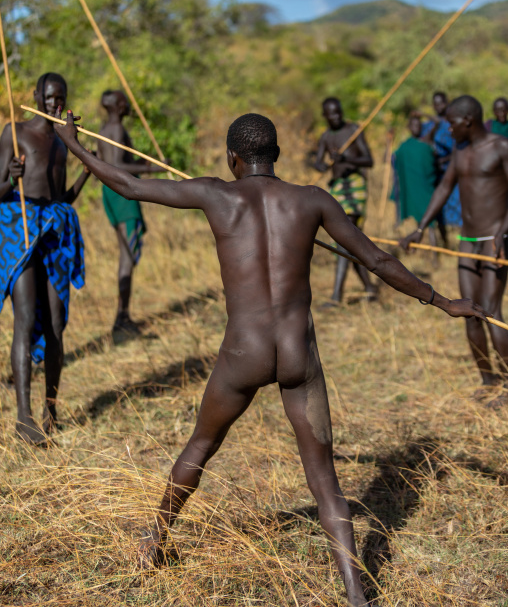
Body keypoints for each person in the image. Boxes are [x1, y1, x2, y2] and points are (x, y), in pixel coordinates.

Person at [56, 109, 487, 606]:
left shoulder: (216, 193)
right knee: (325, 482)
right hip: (297, 357)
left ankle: (156, 540)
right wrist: (442, 301)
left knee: (200, 445)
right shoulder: (311, 201)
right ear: (276, 154)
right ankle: (356, 596)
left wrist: (74, 144)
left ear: (234, 158)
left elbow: (129, 186)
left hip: (245, 353)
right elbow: (380, 261)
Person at [0, 73, 90, 445]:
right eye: (50, 97)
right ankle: (23, 417)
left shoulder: (63, 139)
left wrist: (86, 170)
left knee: (55, 323)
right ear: (36, 96)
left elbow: (62, 198)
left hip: (55, 232)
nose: (56, 104)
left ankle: (50, 409)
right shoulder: (14, 131)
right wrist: (9, 177)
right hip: (19, 229)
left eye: (61, 98)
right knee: (24, 319)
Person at [401, 95, 508, 399]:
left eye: (451, 123)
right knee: (468, 309)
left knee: (490, 309)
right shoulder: (462, 152)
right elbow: (444, 188)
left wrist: (503, 230)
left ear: (468, 121)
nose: (447, 130)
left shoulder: (501, 147)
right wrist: (420, 229)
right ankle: (488, 380)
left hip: (494, 241)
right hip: (467, 240)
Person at [98, 90, 165, 333]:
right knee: (127, 256)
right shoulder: (115, 130)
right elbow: (116, 166)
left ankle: (122, 315)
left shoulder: (105, 130)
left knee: (125, 254)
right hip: (122, 196)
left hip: (112, 195)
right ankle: (121, 318)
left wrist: (147, 165)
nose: (128, 104)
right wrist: (154, 170)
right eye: (124, 101)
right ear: (116, 106)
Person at [314, 97, 377, 303]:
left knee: (345, 237)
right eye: (331, 113)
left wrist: (347, 159)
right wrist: (321, 166)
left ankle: (336, 297)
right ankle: (370, 287)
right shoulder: (325, 137)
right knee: (351, 240)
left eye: (338, 112)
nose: (336, 116)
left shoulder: (353, 131)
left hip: (355, 186)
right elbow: (318, 162)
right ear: (325, 116)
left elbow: (369, 160)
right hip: (338, 187)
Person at [392, 113, 443, 249]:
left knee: (430, 222)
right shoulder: (404, 146)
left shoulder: (426, 140)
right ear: (409, 127)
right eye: (414, 125)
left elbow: (437, 122)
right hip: (412, 188)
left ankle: (435, 253)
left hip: (426, 187)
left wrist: (421, 114)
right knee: (417, 220)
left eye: (419, 125)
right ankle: (414, 247)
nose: (416, 128)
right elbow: (395, 160)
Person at [417, 91, 462, 235]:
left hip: (453, 171)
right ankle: (444, 240)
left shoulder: (452, 124)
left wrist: (445, 159)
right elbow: (423, 145)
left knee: (458, 205)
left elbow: (459, 148)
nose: (439, 107)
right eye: (435, 104)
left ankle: (464, 238)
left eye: (441, 103)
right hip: (434, 172)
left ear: (447, 103)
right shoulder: (428, 126)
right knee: (437, 209)